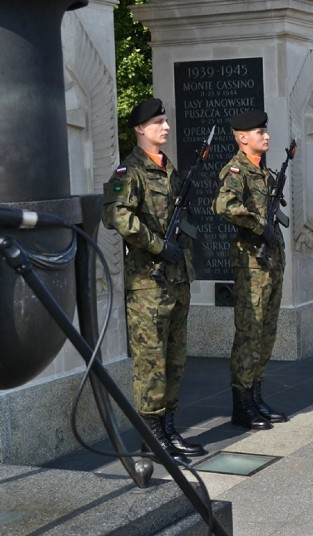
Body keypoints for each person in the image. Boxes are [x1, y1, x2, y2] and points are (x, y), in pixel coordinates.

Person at [102, 98, 202, 464]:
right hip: (148, 283)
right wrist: (159, 246)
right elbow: (116, 217)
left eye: (165, 121)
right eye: (158, 122)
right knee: (151, 361)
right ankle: (151, 436)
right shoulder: (128, 173)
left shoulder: (169, 170)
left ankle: (169, 428)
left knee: (175, 358)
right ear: (140, 129)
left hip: (177, 279)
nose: (166, 127)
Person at [213, 109, 288, 430]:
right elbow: (223, 205)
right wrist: (259, 225)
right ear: (243, 138)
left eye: (266, 131)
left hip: (271, 262)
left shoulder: (265, 173)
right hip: (251, 263)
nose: (266, 136)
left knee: (267, 331)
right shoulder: (235, 170)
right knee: (249, 332)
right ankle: (241, 404)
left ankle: (256, 394)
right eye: (260, 132)